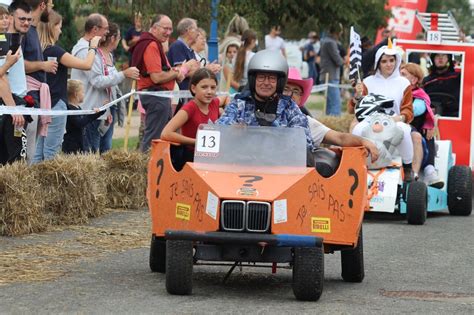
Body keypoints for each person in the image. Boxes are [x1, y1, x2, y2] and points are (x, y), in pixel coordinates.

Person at [34, 10, 101, 162]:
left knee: (38, 151)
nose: (61, 30)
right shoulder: (56, 51)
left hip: (43, 103)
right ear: (52, 27)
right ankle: (48, 184)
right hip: (56, 104)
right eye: (59, 26)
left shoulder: (39, 51)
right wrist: (93, 47)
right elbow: (86, 64)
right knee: (52, 151)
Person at [217, 49, 314, 151]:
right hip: (242, 163)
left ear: (279, 82)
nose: (266, 82)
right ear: (253, 79)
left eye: (272, 78)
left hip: (280, 164)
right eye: (261, 77)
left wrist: (283, 140)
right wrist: (231, 132)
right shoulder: (239, 104)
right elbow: (219, 133)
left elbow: (305, 142)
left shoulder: (289, 107)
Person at [349, 42, 415, 181]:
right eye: (384, 61)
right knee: (357, 130)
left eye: (391, 60)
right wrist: (357, 96)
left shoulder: (404, 83)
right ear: (378, 63)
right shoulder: (367, 81)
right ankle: (356, 163)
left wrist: (398, 119)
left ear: (396, 61)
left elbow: (408, 111)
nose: (388, 64)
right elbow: (354, 109)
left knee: (404, 130)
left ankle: (408, 167)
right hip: (370, 121)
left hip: (394, 120)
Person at [284, 67, 378, 160]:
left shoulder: (305, 122)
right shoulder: (269, 117)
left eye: (295, 91)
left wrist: (363, 141)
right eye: (286, 89)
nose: (290, 95)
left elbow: (340, 138)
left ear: (300, 98)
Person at [130, 14, 185, 152]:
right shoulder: (151, 45)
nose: (168, 33)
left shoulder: (153, 43)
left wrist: (174, 73)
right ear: (154, 28)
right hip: (156, 97)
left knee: (161, 138)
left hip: (159, 97)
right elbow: (156, 77)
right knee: (154, 139)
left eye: (170, 29)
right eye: (165, 28)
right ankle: (145, 169)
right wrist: (177, 72)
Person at [86, 22, 139, 154]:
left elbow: (112, 81)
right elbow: (97, 81)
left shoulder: (110, 55)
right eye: (119, 37)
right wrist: (123, 74)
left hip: (109, 109)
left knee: (106, 150)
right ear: (113, 38)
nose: (119, 41)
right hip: (96, 110)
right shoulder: (96, 55)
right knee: (94, 150)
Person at [161, 68, 228, 164]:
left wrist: (227, 114)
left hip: (213, 158)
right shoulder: (190, 108)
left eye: (213, 88)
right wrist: (195, 142)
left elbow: (226, 97)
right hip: (191, 159)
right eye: (204, 87)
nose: (209, 92)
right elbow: (166, 133)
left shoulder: (214, 103)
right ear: (193, 88)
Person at [22, 0, 57, 164]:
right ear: (42, 5)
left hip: (36, 97)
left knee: (31, 151)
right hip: (27, 97)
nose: (52, 9)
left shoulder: (33, 31)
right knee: (26, 152)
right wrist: (43, 65)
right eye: (50, 5)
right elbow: (17, 64)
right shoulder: (26, 31)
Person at [400, 63, 443, 188]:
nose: (399, 77)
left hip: (415, 131)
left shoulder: (420, 96)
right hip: (398, 129)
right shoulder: (396, 91)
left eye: (403, 75)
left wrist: (397, 111)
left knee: (426, 130)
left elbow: (416, 109)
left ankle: (427, 169)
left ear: (414, 80)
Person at [62, 79, 104, 154]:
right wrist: (95, 114)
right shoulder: (70, 109)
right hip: (72, 147)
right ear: (76, 94)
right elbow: (80, 122)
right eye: (83, 92)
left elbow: (85, 119)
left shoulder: (78, 108)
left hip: (80, 144)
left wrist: (99, 111)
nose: (84, 94)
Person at [422, 53, 461, 117]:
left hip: (453, 116)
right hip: (431, 116)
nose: (440, 58)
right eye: (437, 56)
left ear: (448, 59)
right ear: (433, 60)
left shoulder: (457, 77)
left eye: (443, 55)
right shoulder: (426, 81)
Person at [319, 24, 344, 116]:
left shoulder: (325, 41)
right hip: (331, 76)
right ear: (337, 32)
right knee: (336, 104)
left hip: (328, 75)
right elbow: (338, 61)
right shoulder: (330, 42)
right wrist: (344, 60)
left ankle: (329, 125)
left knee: (329, 106)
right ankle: (334, 127)